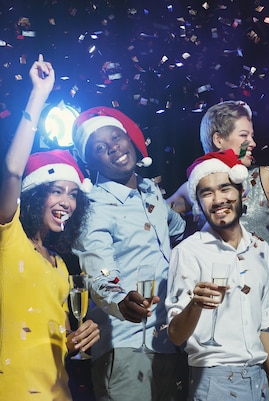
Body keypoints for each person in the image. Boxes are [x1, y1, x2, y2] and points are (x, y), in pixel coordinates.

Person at [0, 54, 99, 400]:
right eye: (56, 191)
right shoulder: (8, 237)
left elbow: (60, 340)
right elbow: (12, 171)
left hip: (58, 393)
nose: (66, 202)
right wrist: (39, 96)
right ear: (32, 196)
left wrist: (80, 338)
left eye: (73, 195)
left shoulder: (60, 265)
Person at [71, 106, 187, 400]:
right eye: (100, 147)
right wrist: (120, 299)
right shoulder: (93, 207)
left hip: (168, 339)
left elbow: (174, 226)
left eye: (116, 137)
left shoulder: (150, 192)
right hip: (125, 345)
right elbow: (100, 272)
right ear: (91, 160)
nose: (113, 148)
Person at [166, 100, 269, 302]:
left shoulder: (264, 178)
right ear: (218, 139)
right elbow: (158, 216)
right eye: (244, 135)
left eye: (252, 136)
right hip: (222, 301)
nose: (253, 143)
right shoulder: (196, 187)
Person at [166, 149, 269, 401]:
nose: (218, 199)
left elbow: (264, 319)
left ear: (241, 192)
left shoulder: (259, 248)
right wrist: (195, 305)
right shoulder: (188, 252)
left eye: (225, 188)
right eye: (207, 193)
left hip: (259, 378)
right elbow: (174, 334)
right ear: (199, 202)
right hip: (213, 381)